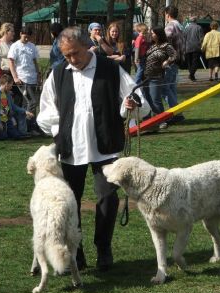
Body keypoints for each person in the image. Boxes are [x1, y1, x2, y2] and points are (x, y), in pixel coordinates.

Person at [37, 26, 150, 272]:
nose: (72, 60)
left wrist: (129, 105)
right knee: (69, 202)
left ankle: (104, 248)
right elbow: (46, 112)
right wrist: (60, 129)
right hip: (70, 148)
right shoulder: (58, 73)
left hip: (105, 146)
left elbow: (137, 100)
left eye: (75, 53)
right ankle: (75, 252)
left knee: (108, 198)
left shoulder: (110, 69)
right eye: (66, 55)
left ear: (87, 46)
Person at [8, 26, 41, 135]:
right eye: (25, 37)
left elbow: (35, 62)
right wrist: (15, 77)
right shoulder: (15, 46)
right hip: (22, 78)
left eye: (28, 37)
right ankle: (30, 126)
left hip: (33, 78)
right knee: (32, 102)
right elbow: (11, 62)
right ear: (21, 34)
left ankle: (29, 127)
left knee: (29, 104)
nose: (26, 39)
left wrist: (38, 75)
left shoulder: (32, 46)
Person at [143, 26, 176, 129]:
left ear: (158, 34)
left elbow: (174, 55)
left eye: (153, 33)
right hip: (146, 76)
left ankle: (161, 120)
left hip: (156, 76)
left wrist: (167, 61)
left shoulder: (166, 45)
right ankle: (148, 120)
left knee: (155, 99)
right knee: (146, 99)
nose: (151, 35)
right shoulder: (152, 45)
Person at [0, 74, 34, 140]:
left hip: (6, 119)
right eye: (11, 85)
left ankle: (15, 133)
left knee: (16, 136)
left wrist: (25, 111)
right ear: (6, 84)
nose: (11, 87)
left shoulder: (8, 94)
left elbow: (13, 106)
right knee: (3, 137)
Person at [164, 5, 185, 124]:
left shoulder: (170, 26)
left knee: (164, 88)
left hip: (169, 61)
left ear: (167, 14)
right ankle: (178, 112)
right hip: (177, 60)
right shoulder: (180, 25)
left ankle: (176, 112)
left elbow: (163, 41)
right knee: (171, 88)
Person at [184, 16, 204, 81]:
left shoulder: (186, 28)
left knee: (189, 63)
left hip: (187, 47)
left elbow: (184, 38)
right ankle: (191, 74)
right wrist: (200, 44)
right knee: (195, 62)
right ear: (196, 21)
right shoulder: (199, 27)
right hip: (196, 47)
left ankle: (191, 75)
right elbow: (201, 38)